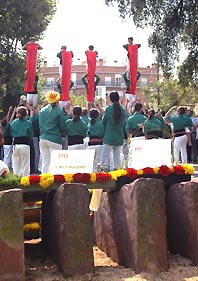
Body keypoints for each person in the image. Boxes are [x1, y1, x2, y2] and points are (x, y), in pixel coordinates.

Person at [100, 91, 128, 170]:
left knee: (104, 158)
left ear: (110, 99)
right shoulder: (122, 110)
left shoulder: (109, 109)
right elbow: (125, 120)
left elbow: (104, 121)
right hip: (119, 137)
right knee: (117, 158)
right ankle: (118, 176)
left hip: (109, 137)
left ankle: (103, 176)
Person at [39, 91, 66, 173]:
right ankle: (55, 183)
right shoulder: (59, 111)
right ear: (57, 100)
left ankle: (44, 181)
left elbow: (40, 125)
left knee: (45, 162)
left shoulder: (42, 111)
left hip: (43, 138)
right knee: (55, 163)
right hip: (55, 138)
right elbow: (62, 126)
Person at [10, 106, 34, 176]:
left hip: (16, 145)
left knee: (16, 165)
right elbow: (31, 135)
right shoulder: (28, 123)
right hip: (25, 144)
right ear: (26, 114)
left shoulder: (14, 122)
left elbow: (12, 132)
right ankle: (25, 181)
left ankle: (16, 179)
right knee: (25, 165)